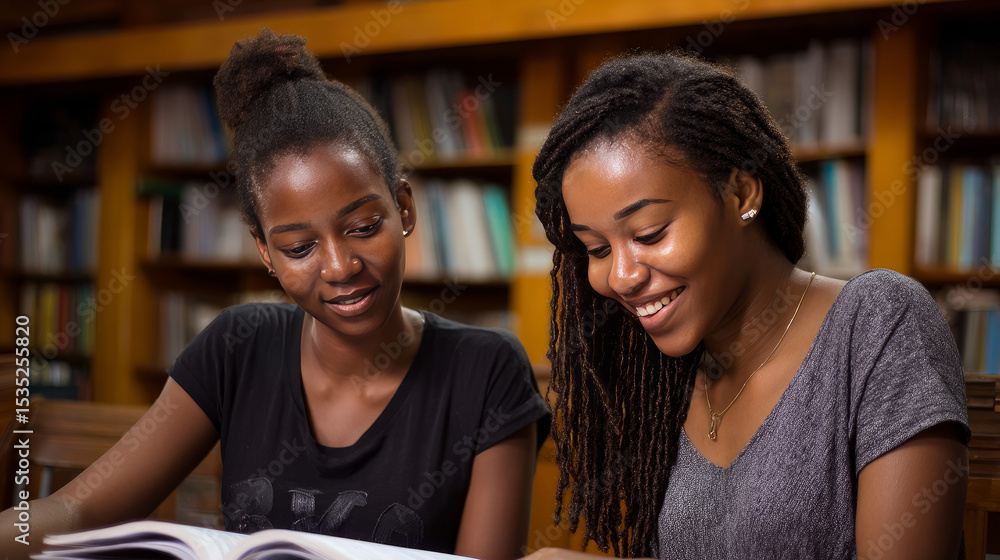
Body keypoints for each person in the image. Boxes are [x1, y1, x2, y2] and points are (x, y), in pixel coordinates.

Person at [1, 29, 549, 560]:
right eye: (299, 248)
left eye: (362, 227)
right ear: (265, 252)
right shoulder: (238, 347)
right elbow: (78, 509)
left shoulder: (487, 372)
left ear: (403, 208)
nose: (340, 267)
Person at [521, 52, 969, 560]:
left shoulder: (880, 323)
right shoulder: (667, 372)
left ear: (740, 194)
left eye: (649, 234)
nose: (621, 276)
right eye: (597, 250)